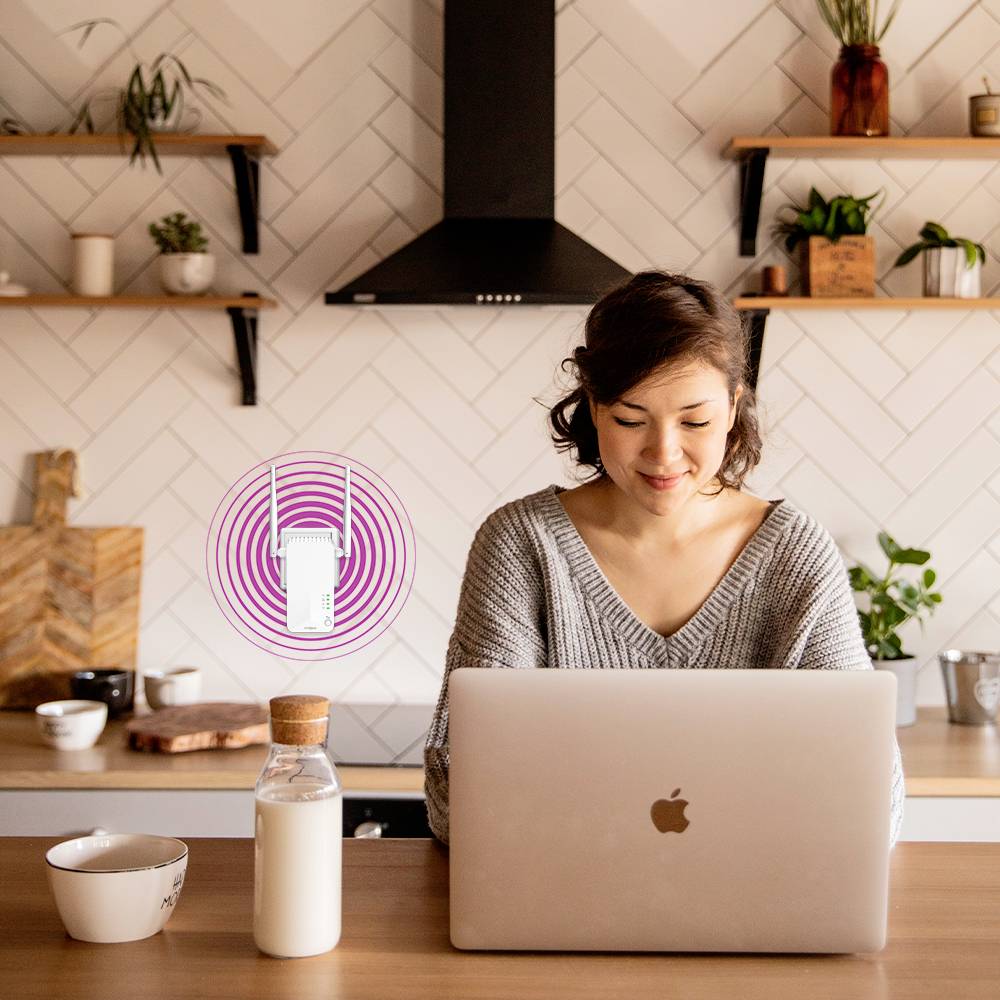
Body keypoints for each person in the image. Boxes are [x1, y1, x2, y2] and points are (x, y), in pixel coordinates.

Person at [423, 270, 904, 846]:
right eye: (631, 420)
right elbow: (458, 800)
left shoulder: (795, 556)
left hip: (756, 910)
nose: (663, 453)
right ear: (594, 407)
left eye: (695, 421)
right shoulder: (521, 546)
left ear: (732, 408)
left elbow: (873, 803)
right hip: (564, 909)